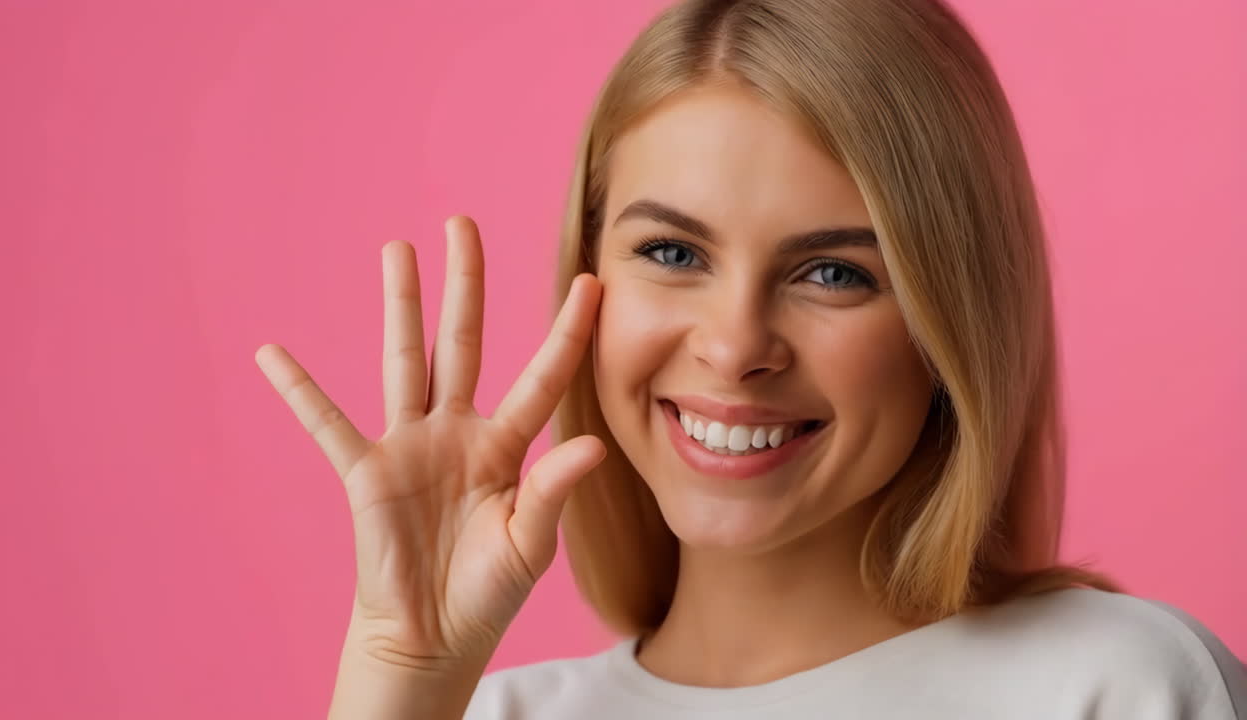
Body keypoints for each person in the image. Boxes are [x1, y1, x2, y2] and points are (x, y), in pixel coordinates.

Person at [255, 0, 1246, 717]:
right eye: (672, 254)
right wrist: (400, 677)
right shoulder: (479, 712)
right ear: (587, 277)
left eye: (833, 273)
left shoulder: (1116, 688)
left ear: (951, 320)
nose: (733, 349)